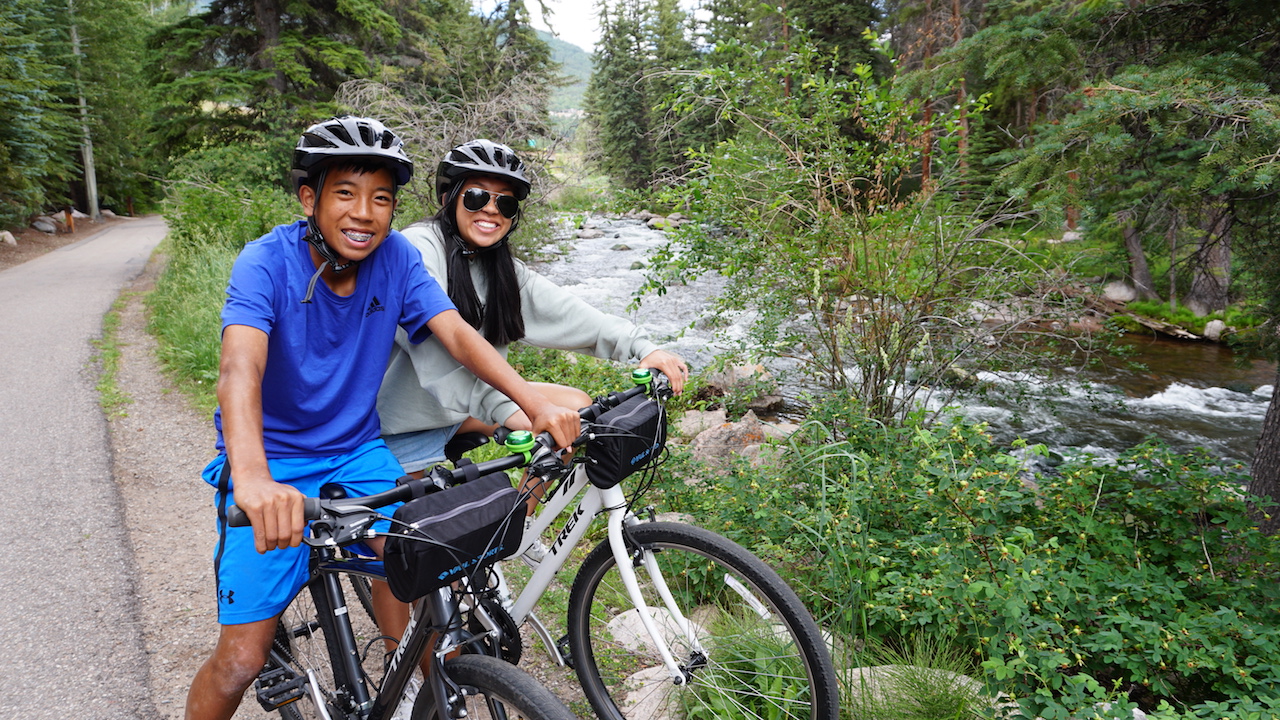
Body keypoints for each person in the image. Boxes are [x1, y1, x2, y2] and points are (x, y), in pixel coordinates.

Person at [185, 117, 579, 720]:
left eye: (382, 198)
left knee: (424, 572)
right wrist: (254, 478)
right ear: (309, 199)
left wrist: (533, 403)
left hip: (357, 452)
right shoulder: (265, 262)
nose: (365, 212)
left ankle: (431, 700)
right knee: (240, 659)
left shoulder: (395, 259)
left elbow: (456, 334)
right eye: (346, 193)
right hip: (272, 462)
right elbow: (240, 370)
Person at [376, 138, 689, 483]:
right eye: (477, 196)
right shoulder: (418, 247)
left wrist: (645, 348)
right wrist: (516, 408)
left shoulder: (500, 267)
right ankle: (500, 534)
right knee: (428, 533)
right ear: (448, 198)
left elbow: (573, 315)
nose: (492, 210)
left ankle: (519, 531)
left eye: (506, 203)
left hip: (457, 412)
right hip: (403, 423)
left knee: (574, 409)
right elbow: (440, 350)